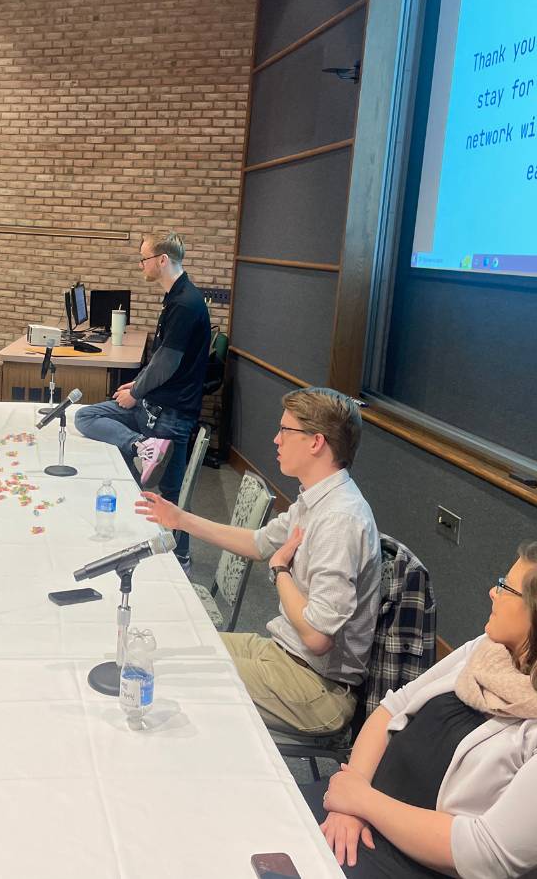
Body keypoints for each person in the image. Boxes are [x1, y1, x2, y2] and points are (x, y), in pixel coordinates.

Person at [310, 543, 537, 879]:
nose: (492, 592)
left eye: (505, 587)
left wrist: (362, 801)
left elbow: (486, 855)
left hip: (430, 867)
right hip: (363, 817)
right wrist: (350, 798)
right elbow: (392, 708)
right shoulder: (491, 652)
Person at [137, 387, 381, 733]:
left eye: (286, 430)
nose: (276, 439)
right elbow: (258, 543)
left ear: (316, 443)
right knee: (172, 650)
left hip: (316, 687)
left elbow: (316, 637)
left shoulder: (339, 519)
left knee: (178, 684)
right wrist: (181, 520)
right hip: (284, 654)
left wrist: (280, 570)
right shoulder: (316, 499)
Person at [75, 231, 211, 572]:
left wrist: (135, 393)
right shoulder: (175, 297)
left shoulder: (185, 303)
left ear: (162, 260)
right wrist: (137, 385)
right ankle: (140, 445)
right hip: (152, 409)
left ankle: (178, 560)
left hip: (171, 414)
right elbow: (162, 358)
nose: (141, 265)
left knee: (168, 494)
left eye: (144, 259)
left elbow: (167, 363)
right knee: (86, 416)